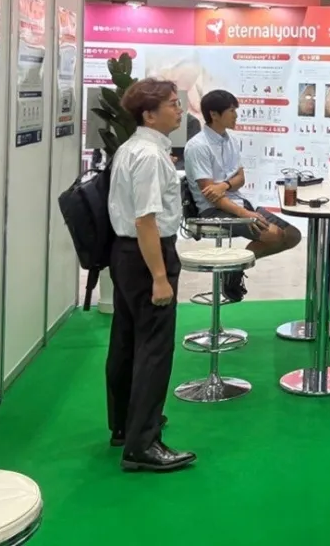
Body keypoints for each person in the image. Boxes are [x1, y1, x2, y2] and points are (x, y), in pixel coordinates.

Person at [105, 78, 196, 473]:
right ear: (149, 114)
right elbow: (146, 220)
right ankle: (143, 443)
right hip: (148, 255)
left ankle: (125, 425)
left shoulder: (131, 148)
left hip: (127, 255)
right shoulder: (150, 156)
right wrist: (159, 276)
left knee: (127, 341)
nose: (180, 110)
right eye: (173, 104)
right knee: (154, 348)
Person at [184, 89, 303, 302]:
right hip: (213, 210)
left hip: (238, 203)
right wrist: (245, 213)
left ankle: (234, 269)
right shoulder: (198, 146)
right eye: (231, 110)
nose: (236, 115)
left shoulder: (230, 140)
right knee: (273, 235)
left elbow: (240, 178)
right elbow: (211, 195)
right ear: (214, 114)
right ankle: (233, 270)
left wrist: (224, 185)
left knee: (293, 235)